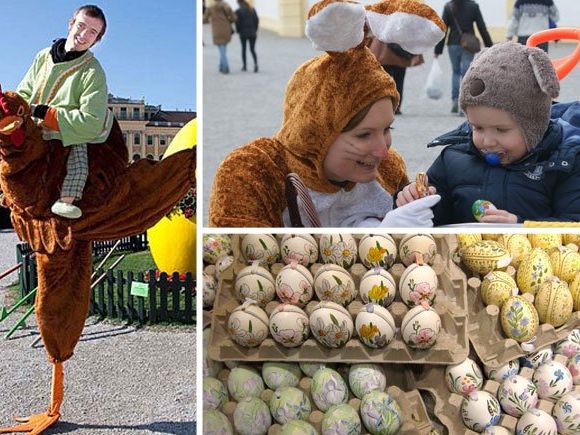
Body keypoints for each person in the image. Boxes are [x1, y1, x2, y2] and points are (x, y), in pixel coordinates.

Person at [209, 0, 444, 228]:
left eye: (387, 129)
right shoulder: (254, 174)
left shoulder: (388, 171)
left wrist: (411, 211)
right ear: (315, 133)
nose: (383, 151)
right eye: (364, 135)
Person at [396, 42, 580, 225]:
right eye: (477, 128)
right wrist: (416, 202)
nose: (488, 142)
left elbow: (573, 224)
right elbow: (436, 219)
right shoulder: (454, 158)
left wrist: (521, 226)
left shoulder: (563, 163)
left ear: (534, 126)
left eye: (501, 130)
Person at [17, 4, 112, 219]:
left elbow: (91, 120)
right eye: (81, 26)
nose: (84, 34)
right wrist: (16, 107)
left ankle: (66, 199)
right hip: (32, 126)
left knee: (78, 162)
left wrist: (48, 114)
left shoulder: (93, 72)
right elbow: (25, 90)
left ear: (96, 40)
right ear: (71, 24)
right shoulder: (43, 56)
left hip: (67, 130)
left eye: (92, 32)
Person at [434, 0, 493, 114]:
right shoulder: (473, 6)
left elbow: (443, 29)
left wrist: (438, 50)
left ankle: (455, 101)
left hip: (453, 44)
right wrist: (489, 46)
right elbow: (482, 27)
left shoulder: (448, 6)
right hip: (468, 45)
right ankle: (463, 103)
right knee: (466, 73)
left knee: (455, 72)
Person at [368, 40, 424, 115]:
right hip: (400, 55)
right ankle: (396, 107)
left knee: (383, 83)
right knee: (399, 83)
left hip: (383, 54)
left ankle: (383, 106)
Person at [203, 0, 236, 74]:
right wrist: (228, 20)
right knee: (223, 49)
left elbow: (204, 19)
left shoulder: (210, 8)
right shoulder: (226, 6)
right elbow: (234, 18)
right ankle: (221, 66)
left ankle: (225, 67)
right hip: (226, 29)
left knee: (222, 50)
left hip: (216, 31)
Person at [235, 0, 259, 72]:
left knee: (244, 49)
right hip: (252, 33)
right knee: (252, 49)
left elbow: (237, 22)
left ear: (239, 3)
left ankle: (244, 66)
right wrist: (255, 29)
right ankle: (255, 64)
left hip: (243, 33)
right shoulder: (252, 9)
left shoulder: (238, 11)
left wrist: (238, 30)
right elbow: (257, 20)